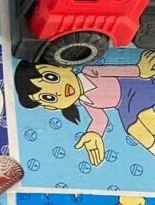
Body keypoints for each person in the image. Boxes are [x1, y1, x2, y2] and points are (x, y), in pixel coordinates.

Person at [15, 51, 155, 166]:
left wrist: (138, 70)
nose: (57, 91)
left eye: (51, 77)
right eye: (49, 97)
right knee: (133, 129)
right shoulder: (86, 102)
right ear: (51, 107)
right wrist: (94, 134)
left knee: (145, 117)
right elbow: (100, 119)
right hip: (123, 106)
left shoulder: (89, 71)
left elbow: (116, 70)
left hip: (133, 87)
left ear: (63, 66)